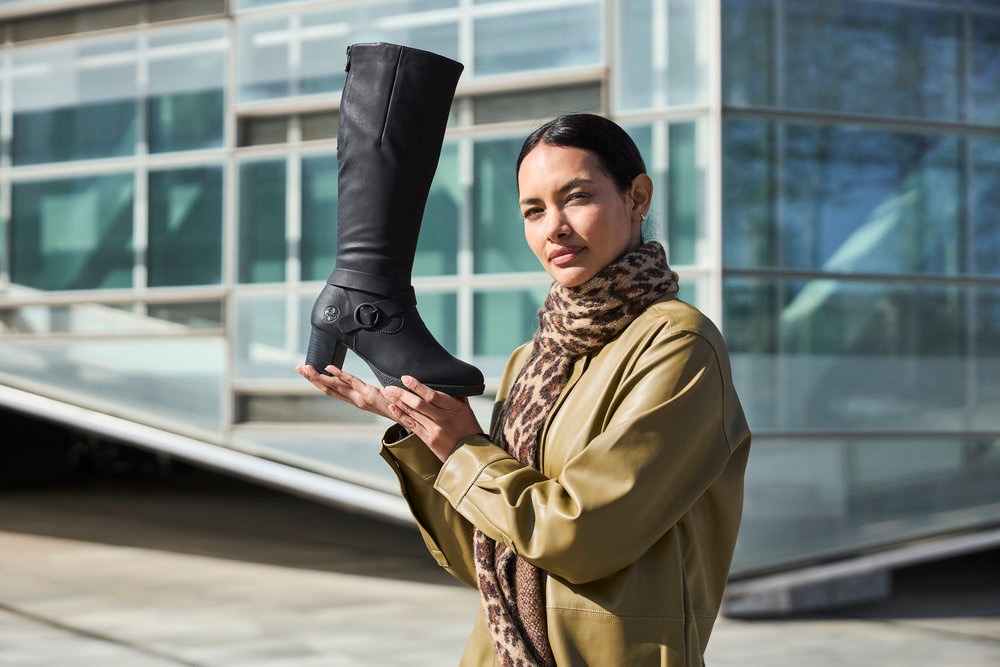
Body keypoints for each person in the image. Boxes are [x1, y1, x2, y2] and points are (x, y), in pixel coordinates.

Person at [297, 112, 751, 667]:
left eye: (576, 197)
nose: (553, 227)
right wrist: (426, 435)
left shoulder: (678, 345)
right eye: (534, 211)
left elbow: (582, 538)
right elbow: (483, 556)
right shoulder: (532, 359)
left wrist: (465, 450)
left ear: (637, 198)